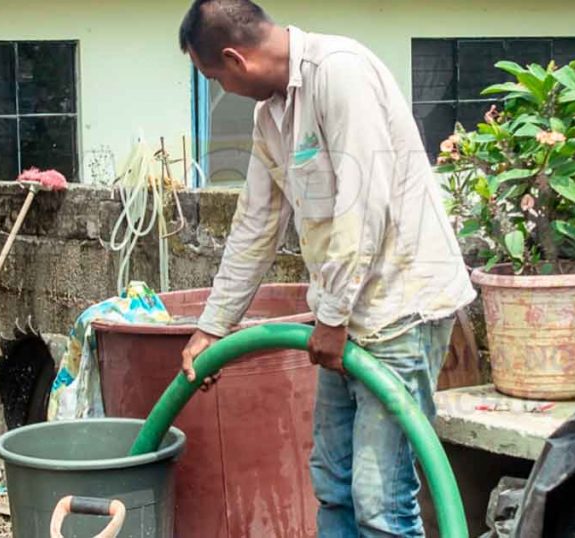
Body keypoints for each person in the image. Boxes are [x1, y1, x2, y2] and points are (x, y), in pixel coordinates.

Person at [176, 1, 475, 536]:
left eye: (213, 77)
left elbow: (364, 207)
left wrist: (332, 317)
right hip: (343, 319)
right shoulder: (270, 115)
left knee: (380, 500)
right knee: (334, 486)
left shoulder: (341, 72)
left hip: (400, 308)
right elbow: (256, 224)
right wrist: (212, 326)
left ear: (233, 59)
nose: (219, 88)